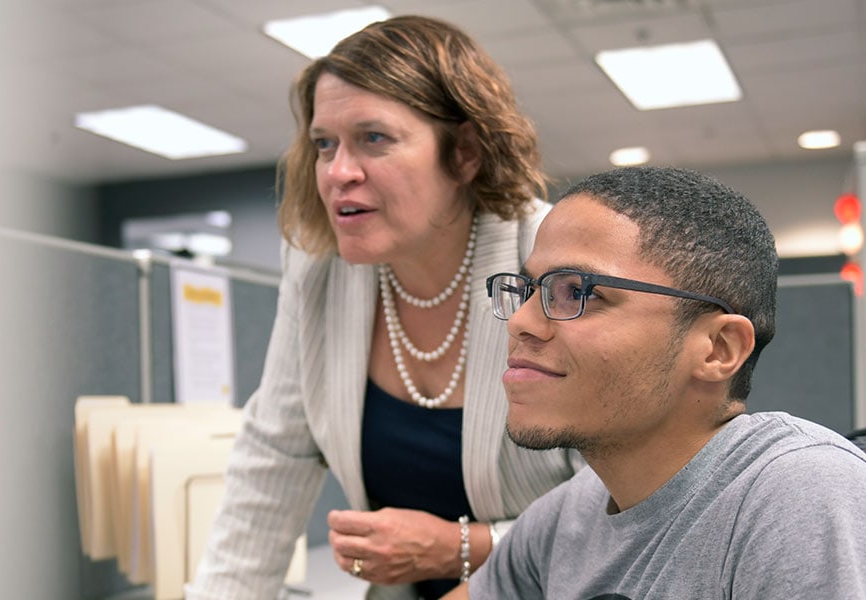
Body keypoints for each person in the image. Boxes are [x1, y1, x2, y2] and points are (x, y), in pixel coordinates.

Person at [186, 15, 579, 600]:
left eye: (374, 138)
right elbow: (275, 456)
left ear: (465, 152)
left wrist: (460, 547)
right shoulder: (319, 269)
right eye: (325, 144)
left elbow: (629, 505)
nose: (339, 171)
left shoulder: (553, 269)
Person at [442, 165, 866, 599]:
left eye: (578, 291)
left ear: (719, 348)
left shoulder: (802, 498)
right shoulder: (571, 513)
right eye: (527, 290)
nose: (519, 321)